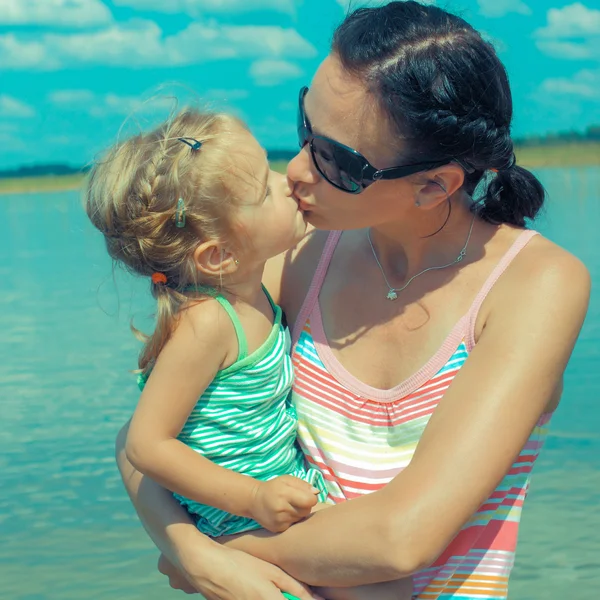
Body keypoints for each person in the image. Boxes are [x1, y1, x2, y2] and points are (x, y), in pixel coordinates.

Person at [114, 2, 591, 599]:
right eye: (305, 130)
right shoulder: (297, 257)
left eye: (337, 161)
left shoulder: (536, 285)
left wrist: (219, 556)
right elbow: (144, 440)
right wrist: (188, 549)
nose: (295, 170)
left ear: (433, 184)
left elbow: (402, 538)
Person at [87, 108, 410, 600]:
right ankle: (234, 554)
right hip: (237, 513)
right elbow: (145, 444)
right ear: (218, 255)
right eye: (264, 189)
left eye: (269, 167)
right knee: (386, 587)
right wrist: (252, 499)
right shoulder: (209, 322)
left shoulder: (253, 290)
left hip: (275, 496)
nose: (290, 182)